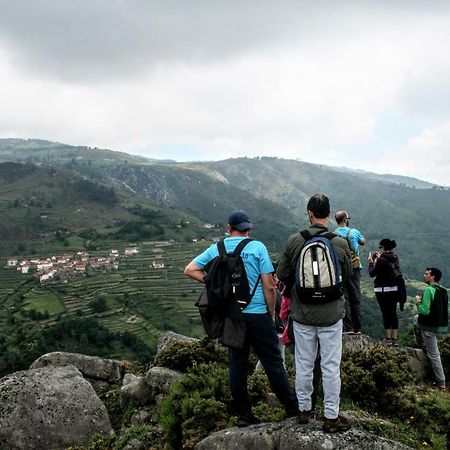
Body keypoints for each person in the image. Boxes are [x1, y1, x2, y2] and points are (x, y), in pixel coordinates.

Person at [184, 210, 298, 427]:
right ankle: (292, 410)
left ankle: (245, 416)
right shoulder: (257, 248)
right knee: (273, 364)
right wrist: (271, 314)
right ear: (249, 229)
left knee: (237, 365)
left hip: (232, 317)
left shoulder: (217, 248)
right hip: (258, 316)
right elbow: (268, 286)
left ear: (229, 228)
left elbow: (190, 269)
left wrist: (217, 286)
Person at [277, 193, 353, 433]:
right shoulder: (340, 243)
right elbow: (348, 276)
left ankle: (303, 410)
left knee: (304, 362)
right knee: (331, 365)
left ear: (309, 212)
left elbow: (283, 274)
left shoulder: (295, 241)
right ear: (329, 214)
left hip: (303, 315)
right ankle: (331, 415)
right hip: (331, 315)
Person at [414, 267, 448, 390]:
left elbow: (424, 311)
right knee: (415, 319)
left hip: (429, 327)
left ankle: (441, 382)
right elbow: (447, 309)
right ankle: (422, 344)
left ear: (432, 277)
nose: (424, 275)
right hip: (441, 326)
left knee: (434, 355)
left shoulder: (429, 290)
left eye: (427, 274)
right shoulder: (443, 290)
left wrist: (418, 302)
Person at [334, 211, 366, 334]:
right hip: (354, 268)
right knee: (355, 297)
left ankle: (348, 327)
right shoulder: (354, 232)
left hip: (340, 269)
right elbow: (363, 241)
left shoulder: (333, 235)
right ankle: (357, 327)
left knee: (344, 298)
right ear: (346, 220)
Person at [367, 238, 402, 346]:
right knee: (393, 313)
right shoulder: (396, 257)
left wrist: (371, 263)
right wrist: (379, 259)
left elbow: (372, 273)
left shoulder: (381, 260)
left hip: (382, 290)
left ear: (383, 247)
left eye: (380, 247)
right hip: (394, 289)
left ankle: (388, 339)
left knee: (385, 313)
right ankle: (394, 339)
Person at [256, 267, 286, 370]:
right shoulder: (276, 293)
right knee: (280, 358)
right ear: (275, 277)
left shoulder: (262, 293)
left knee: (265, 356)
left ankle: (256, 377)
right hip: (279, 329)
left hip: (267, 328)